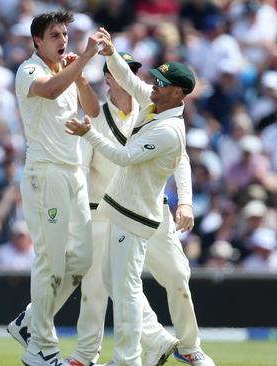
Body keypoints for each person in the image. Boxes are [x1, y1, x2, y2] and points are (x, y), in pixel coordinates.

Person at [64, 29, 201, 366]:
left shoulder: (167, 128)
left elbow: (126, 157)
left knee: (172, 278)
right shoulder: (152, 103)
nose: (151, 85)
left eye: (159, 83)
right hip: (119, 211)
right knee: (115, 283)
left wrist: (186, 200)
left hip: (142, 213)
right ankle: (146, 347)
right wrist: (110, 51)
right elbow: (127, 77)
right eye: (152, 80)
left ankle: (185, 348)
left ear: (178, 92)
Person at [10, 10, 105, 366]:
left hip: (73, 174)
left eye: (65, 33)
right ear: (37, 41)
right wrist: (84, 58)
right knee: (49, 260)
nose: (62, 40)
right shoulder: (29, 70)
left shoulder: (67, 71)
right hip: (45, 174)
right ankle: (41, 348)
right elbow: (49, 91)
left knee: (80, 259)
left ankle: (31, 322)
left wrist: (80, 74)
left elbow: (93, 111)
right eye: (54, 35)